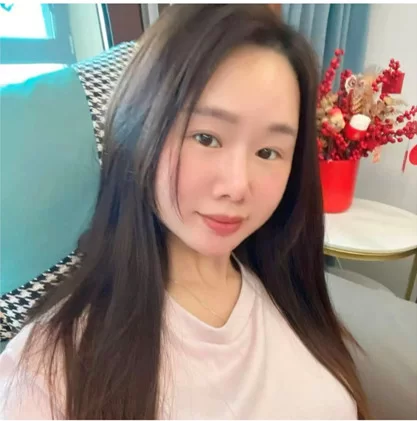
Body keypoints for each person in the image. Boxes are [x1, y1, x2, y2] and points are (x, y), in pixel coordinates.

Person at [0, 5, 371, 419]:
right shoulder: (48, 369)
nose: (237, 186)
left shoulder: (292, 294)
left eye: (268, 151)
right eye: (206, 138)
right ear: (138, 130)